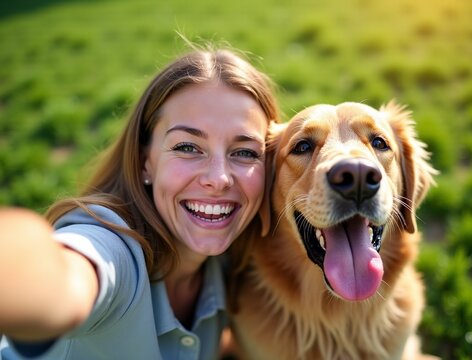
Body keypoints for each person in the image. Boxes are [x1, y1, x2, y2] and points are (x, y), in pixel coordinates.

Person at [0, 47, 279, 360]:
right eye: (188, 147)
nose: (219, 178)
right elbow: (65, 280)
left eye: (245, 152)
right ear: (145, 161)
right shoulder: (115, 251)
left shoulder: (234, 264)